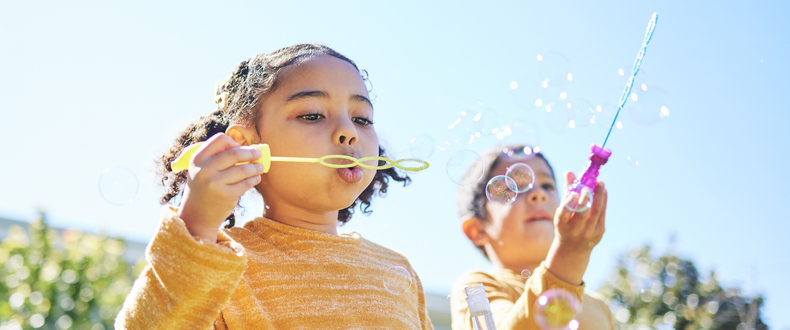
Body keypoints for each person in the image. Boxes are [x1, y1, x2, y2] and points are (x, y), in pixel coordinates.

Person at [115, 44, 433, 329]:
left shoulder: (396, 268)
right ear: (247, 145)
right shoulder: (219, 264)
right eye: (312, 115)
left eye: (362, 119)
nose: (348, 132)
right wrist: (197, 224)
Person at [450, 144, 614, 329]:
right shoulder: (477, 288)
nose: (538, 193)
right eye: (513, 188)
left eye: (547, 185)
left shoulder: (600, 307)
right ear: (477, 230)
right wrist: (570, 253)